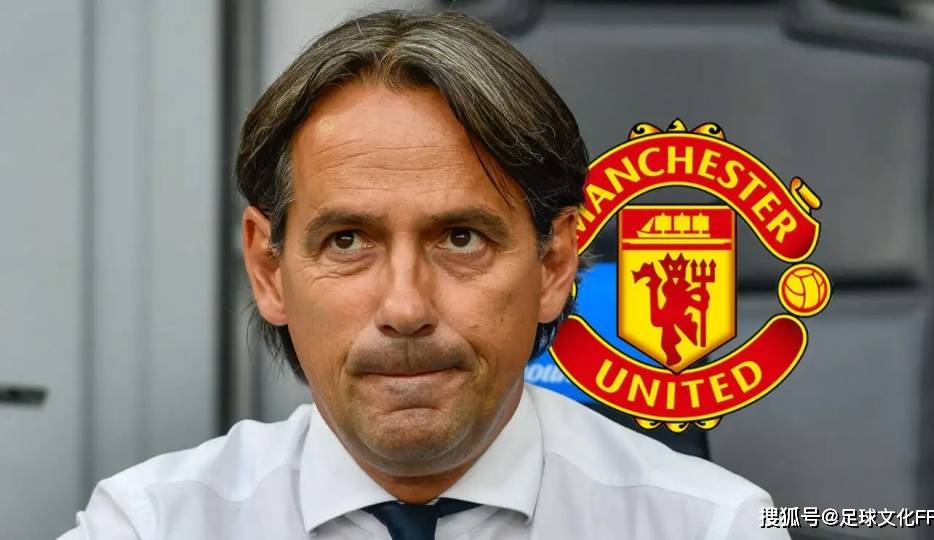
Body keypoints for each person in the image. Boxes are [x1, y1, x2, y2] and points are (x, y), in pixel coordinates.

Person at [61, 10, 788, 540]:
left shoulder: (711, 526)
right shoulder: (149, 525)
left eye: (461, 238)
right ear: (269, 268)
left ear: (554, 263)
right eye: (348, 240)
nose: (405, 307)